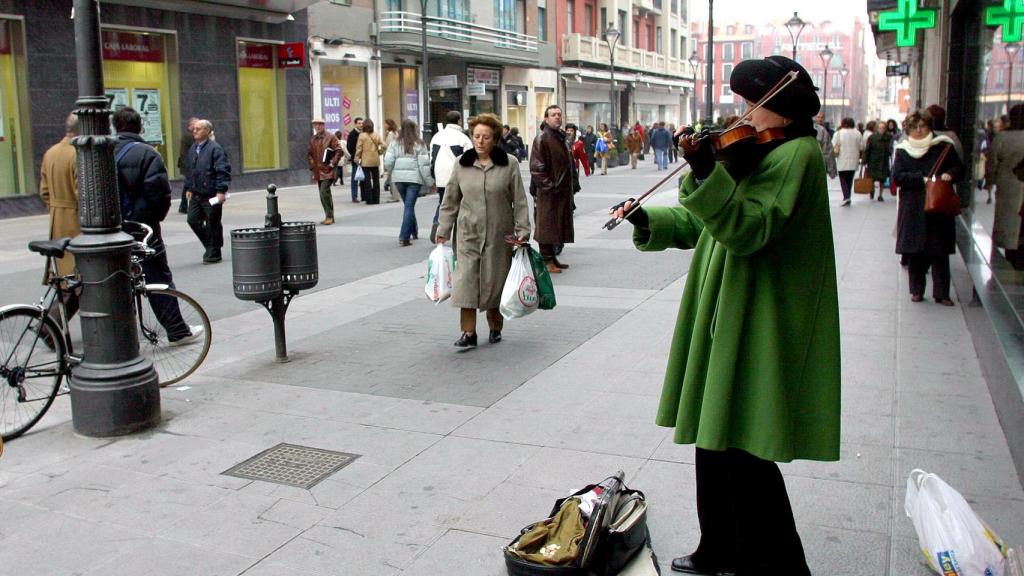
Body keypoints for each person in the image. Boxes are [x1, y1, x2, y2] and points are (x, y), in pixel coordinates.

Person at [611, 55, 839, 576]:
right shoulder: (762, 153)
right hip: (725, 311)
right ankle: (719, 546)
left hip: (758, 317)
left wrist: (708, 173)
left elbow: (746, 228)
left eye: (752, 103)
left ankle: (780, 563)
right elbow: (706, 225)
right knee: (714, 442)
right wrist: (648, 216)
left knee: (746, 452)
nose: (742, 115)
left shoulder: (796, 155)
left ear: (779, 108)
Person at [435, 113, 531, 348]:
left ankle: (495, 325)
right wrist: (443, 228)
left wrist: (523, 230)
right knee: (466, 282)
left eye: (485, 137)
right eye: (476, 136)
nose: (479, 141)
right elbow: (450, 200)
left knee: (494, 281)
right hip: (468, 233)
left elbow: (519, 200)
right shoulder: (462, 164)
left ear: (494, 138)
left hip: (500, 234)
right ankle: (468, 333)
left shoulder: (509, 163)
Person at [112, 107, 203, 345]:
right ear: (139, 125)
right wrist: (153, 219)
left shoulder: (103, 151)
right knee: (156, 277)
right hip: (142, 228)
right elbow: (159, 194)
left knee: (115, 281)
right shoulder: (147, 153)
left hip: (110, 230)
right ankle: (176, 330)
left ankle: (122, 338)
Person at [893, 109, 965, 304]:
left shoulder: (943, 147)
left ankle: (942, 294)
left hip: (938, 205)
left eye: (922, 126)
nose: (918, 130)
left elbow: (960, 168)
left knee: (939, 251)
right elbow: (897, 176)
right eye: (914, 127)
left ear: (930, 127)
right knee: (915, 252)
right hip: (913, 205)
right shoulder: (903, 149)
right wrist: (921, 180)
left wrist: (950, 174)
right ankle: (917, 291)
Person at [39, 112, 80, 327]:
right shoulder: (78, 154)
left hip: (58, 222)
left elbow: (44, 192)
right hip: (77, 224)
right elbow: (82, 193)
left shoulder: (51, 152)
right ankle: (49, 327)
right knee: (80, 279)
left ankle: (50, 327)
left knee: (66, 280)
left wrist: (57, 209)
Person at [531, 105, 576, 273]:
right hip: (549, 192)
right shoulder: (542, 138)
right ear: (546, 118)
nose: (557, 117)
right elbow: (537, 168)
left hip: (560, 191)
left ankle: (553, 258)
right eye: (553, 115)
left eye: (559, 114)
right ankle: (546, 259)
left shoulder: (559, 137)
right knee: (547, 225)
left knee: (556, 225)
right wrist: (550, 186)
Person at [184, 119, 231, 263]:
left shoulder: (215, 149)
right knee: (192, 219)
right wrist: (189, 187)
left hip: (211, 193)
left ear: (208, 131)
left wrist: (221, 190)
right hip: (197, 193)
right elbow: (190, 170)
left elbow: (222, 170)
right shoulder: (193, 148)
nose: (195, 131)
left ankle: (213, 252)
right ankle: (212, 245)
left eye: (199, 128)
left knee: (212, 222)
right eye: (194, 129)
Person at [985, 104, 1024, 267]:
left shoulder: (1002, 138)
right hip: (1015, 182)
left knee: (1009, 222)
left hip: (1007, 184)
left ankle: (1011, 254)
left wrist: (990, 181)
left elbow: (992, 162)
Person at [383, 119, 433, 246]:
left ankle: (413, 230)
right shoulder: (419, 144)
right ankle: (404, 236)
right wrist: (429, 181)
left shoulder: (394, 143)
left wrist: (391, 172)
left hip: (399, 179)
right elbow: (424, 165)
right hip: (414, 179)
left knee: (408, 205)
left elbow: (388, 162)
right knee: (409, 206)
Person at [429, 110, 474, 231]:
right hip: (457, 177)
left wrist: (433, 176)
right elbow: (469, 159)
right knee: (460, 203)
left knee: (443, 202)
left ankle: (437, 223)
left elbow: (431, 158)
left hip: (440, 177)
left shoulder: (436, 136)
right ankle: (459, 229)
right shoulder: (463, 138)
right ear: (459, 121)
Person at [308, 118, 342, 225]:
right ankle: (329, 215)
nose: (317, 126)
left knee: (324, 191)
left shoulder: (331, 137)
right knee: (323, 193)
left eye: (320, 124)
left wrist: (333, 162)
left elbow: (339, 150)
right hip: (318, 170)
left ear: (323, 125)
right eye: (315, 125)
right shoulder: (312, 139)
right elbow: (309, 154)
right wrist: (313, 165)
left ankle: (329, 216)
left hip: (328, 170)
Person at [832, 117, 863, 206]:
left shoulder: (838, 133)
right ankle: (848, 195)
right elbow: (861, 147)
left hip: (842, 158)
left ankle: (846, 197)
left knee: (843, 179)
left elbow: (833, 144)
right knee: (850, 179)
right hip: (854, 159)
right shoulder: (857, 133)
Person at [354, 119, 385, 205]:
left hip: (366, 161)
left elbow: (359, 148)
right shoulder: (376, 135)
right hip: (375, 160)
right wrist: (380, 152)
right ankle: (376, 199)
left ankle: (369, 200)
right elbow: (384, 145)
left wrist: (357, 158)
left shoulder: (362, 136)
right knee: (376, 180)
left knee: (367, 181)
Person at [864, 120, 893, 201]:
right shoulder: (872, 137)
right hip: (873, 160)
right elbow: (867, 149)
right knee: (872, 178)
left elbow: (891, 149)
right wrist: (864, 161)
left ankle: (880, 194)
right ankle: (872, 190)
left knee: (882, 179)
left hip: (884, 160)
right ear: (877, 128)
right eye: (880, 128)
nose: (881, 129)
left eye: (883, 128)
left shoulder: (888, 137)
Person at [176, 116, 198, 214]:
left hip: (188, 163)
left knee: (188, 185)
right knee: (188, 185)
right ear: (191, 125)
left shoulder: (189, 136)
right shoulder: (189, 136)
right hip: (188, 164)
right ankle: (184, 205)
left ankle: (183, 205)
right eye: (196, 125)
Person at [346, 117, 364, 202]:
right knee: (355, 179)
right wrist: (356, 156)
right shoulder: (352, 134)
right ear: (355, 124)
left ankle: (364, 195)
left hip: (364, 159)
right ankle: (354, 196)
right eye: (359, 123)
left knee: (364, 178)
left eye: (362, 123)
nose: (361, 125)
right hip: (356, 159)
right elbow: (349, 147)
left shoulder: (363, 133)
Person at [815, 113, 837, 179]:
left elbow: (828, 151)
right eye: (818, 117)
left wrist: (831, 170)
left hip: (819, 164)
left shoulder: (826, 131)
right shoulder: (822, 130)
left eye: (821, 117)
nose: (820, 119)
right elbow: (828, 151)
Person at [383, 118, 400, 202]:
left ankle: (395, 196)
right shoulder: (396, 133)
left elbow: (389, 147)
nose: (384, 125)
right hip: (396, 157)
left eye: (385, 123)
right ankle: (395, 194)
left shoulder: (390, 134)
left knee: (392, 177)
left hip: (391, 157)